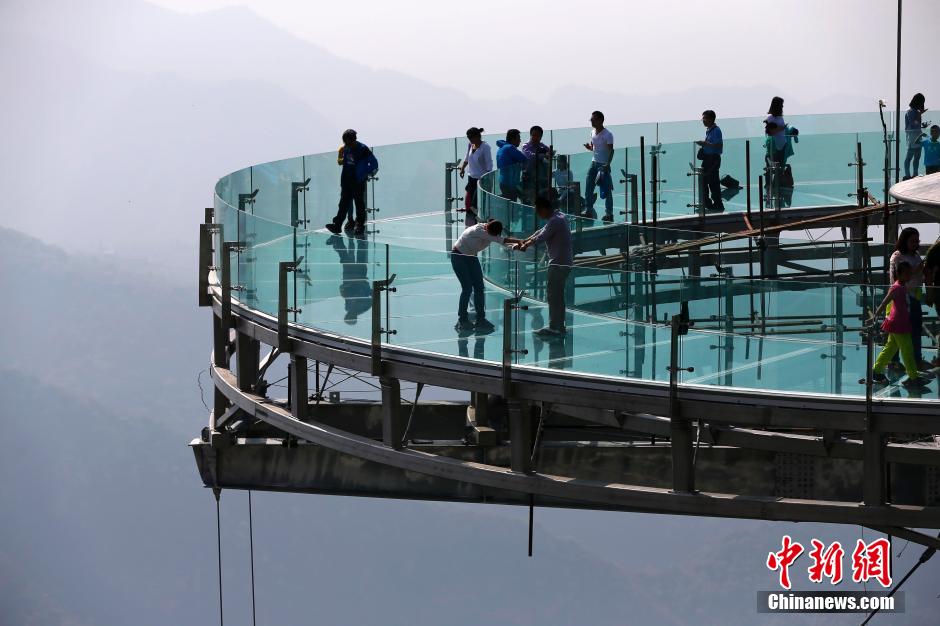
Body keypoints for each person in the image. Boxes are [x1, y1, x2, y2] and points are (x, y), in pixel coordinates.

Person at [515, 196, 573, 338]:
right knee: (558, 296)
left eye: (538, 211)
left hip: (558, 263)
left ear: (544, 209)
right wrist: (525, 241)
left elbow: (542, 237)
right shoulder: (559, 216)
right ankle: (559, 326)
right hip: (563, 262)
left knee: (553, 296)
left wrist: (525, 245)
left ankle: (555, 328)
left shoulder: (555, 221)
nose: (538, 214)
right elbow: (540, 231)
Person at [451, 219, 521, 333]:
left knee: (479, 287)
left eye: (493, 234)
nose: (490, 234)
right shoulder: (479, 229)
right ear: (487, 226)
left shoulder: (491, 234)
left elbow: (502, 242)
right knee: (467, 288)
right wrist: (522, 241)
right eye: (489, 231)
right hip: (458, 256)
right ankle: (462, 319)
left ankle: (481, 319)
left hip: (471, 257)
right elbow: (503, 240)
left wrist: (516, 246)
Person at [871, 261, 926, 388]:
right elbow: (885, 301)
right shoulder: (897, 288)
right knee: (907, 350)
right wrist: (875, 315)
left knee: (891, 348)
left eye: (909, 273)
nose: (909, 276)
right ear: (899, 274)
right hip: (898, 324)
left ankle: (876, 370)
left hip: (898, 323)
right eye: (906, 273)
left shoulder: (902, 286)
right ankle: (913, 377)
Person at [889, 227, 930, 371]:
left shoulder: (916, 255)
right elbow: (898, 278)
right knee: (900, 333)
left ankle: (915, 360)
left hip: (915, 297)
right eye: (912, 241)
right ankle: (896, 362)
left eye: (917, 241)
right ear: (904, 241)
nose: (915, 244)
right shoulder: (897, 256)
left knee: (915, 331)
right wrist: (915, 270)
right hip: (902, 298)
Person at [326, 129, 379, 236]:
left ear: (354, 140)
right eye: (345, 142)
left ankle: (359, 225)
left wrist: (365, 172)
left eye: (348, 142)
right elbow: (345, 164)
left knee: (359, 203)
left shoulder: (363, 149)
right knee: (343, 204)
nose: (346, 144)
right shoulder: (346, 148)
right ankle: (337, 225)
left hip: (358, 181)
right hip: (346, 181)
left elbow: (374, 163)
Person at [582, 110, 615, 221]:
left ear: (600, 120)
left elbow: (611, 151)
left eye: (593, 119)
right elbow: (595, 148)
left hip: (603, 165)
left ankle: (609, 214)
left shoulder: (608, 134)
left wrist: (607, 164)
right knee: (588, 187)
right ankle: (588, 210)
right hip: (594, 163)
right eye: (591, 119)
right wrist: (589, 148)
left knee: (606, 190)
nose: (591, 121)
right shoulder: (592, 132)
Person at [458, 127, 494, 226]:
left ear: (478, 136)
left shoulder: (485, 147)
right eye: (469, 138)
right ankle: (472, 223)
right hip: (471, 177)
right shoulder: (471, 145)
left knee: (475, 203)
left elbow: (489, 163)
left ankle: (479, 222)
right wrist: (462, 168)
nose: (470, 140)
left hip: (481, 178)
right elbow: (467, 157)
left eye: (472, 137)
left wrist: (487, 177)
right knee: (470, 202)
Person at [696, 109, 724, 211]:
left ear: (711, 119)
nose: (703, 120)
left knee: (713, 182)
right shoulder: (709, 130)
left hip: (713, 159)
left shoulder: (716, 130)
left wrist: (705, 143)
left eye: (705, 118)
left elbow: (719, 145)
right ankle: (707, 204)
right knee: (704, 181)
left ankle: (717, 204)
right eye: (703, 118)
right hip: (708, 159)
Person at [495, 129, 528, 201]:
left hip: (502, 182)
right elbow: (525, 159)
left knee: (508, 205)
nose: (520, 141)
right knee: (512, 205)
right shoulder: (510, 148)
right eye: (518, 138)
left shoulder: (501, 148)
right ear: (513, 139)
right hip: (510, 183)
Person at [521, 125, 552, 202]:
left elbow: (549, 152)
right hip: (529, 177)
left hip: (541, 178)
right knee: (529, 200)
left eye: (538, 135)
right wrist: (542, 155)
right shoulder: (526, 146)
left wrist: (549, 154)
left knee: (542, 199)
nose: (536, 137)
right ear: (530, 135)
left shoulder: (542, 145)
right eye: (534, 135)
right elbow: (530, 156)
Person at [903, 93, 928, 180]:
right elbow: (913, 124)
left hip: (917, 135)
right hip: (912, 137)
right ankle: (907, 175)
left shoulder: (915, 112)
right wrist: (919, 114)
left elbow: (916, 124)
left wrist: (922, 124)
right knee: (909, 157)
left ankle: (915, 174)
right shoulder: (910, 111)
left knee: (917, 157)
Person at [764, 96, 787, 165]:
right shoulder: (770, 118)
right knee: (776, 166)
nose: (782, 106)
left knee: (781, 166)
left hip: (782, 145)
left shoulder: (780, 117)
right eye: (781, 105)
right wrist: (781, 128)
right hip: (774, 146)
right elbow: (769, 132)